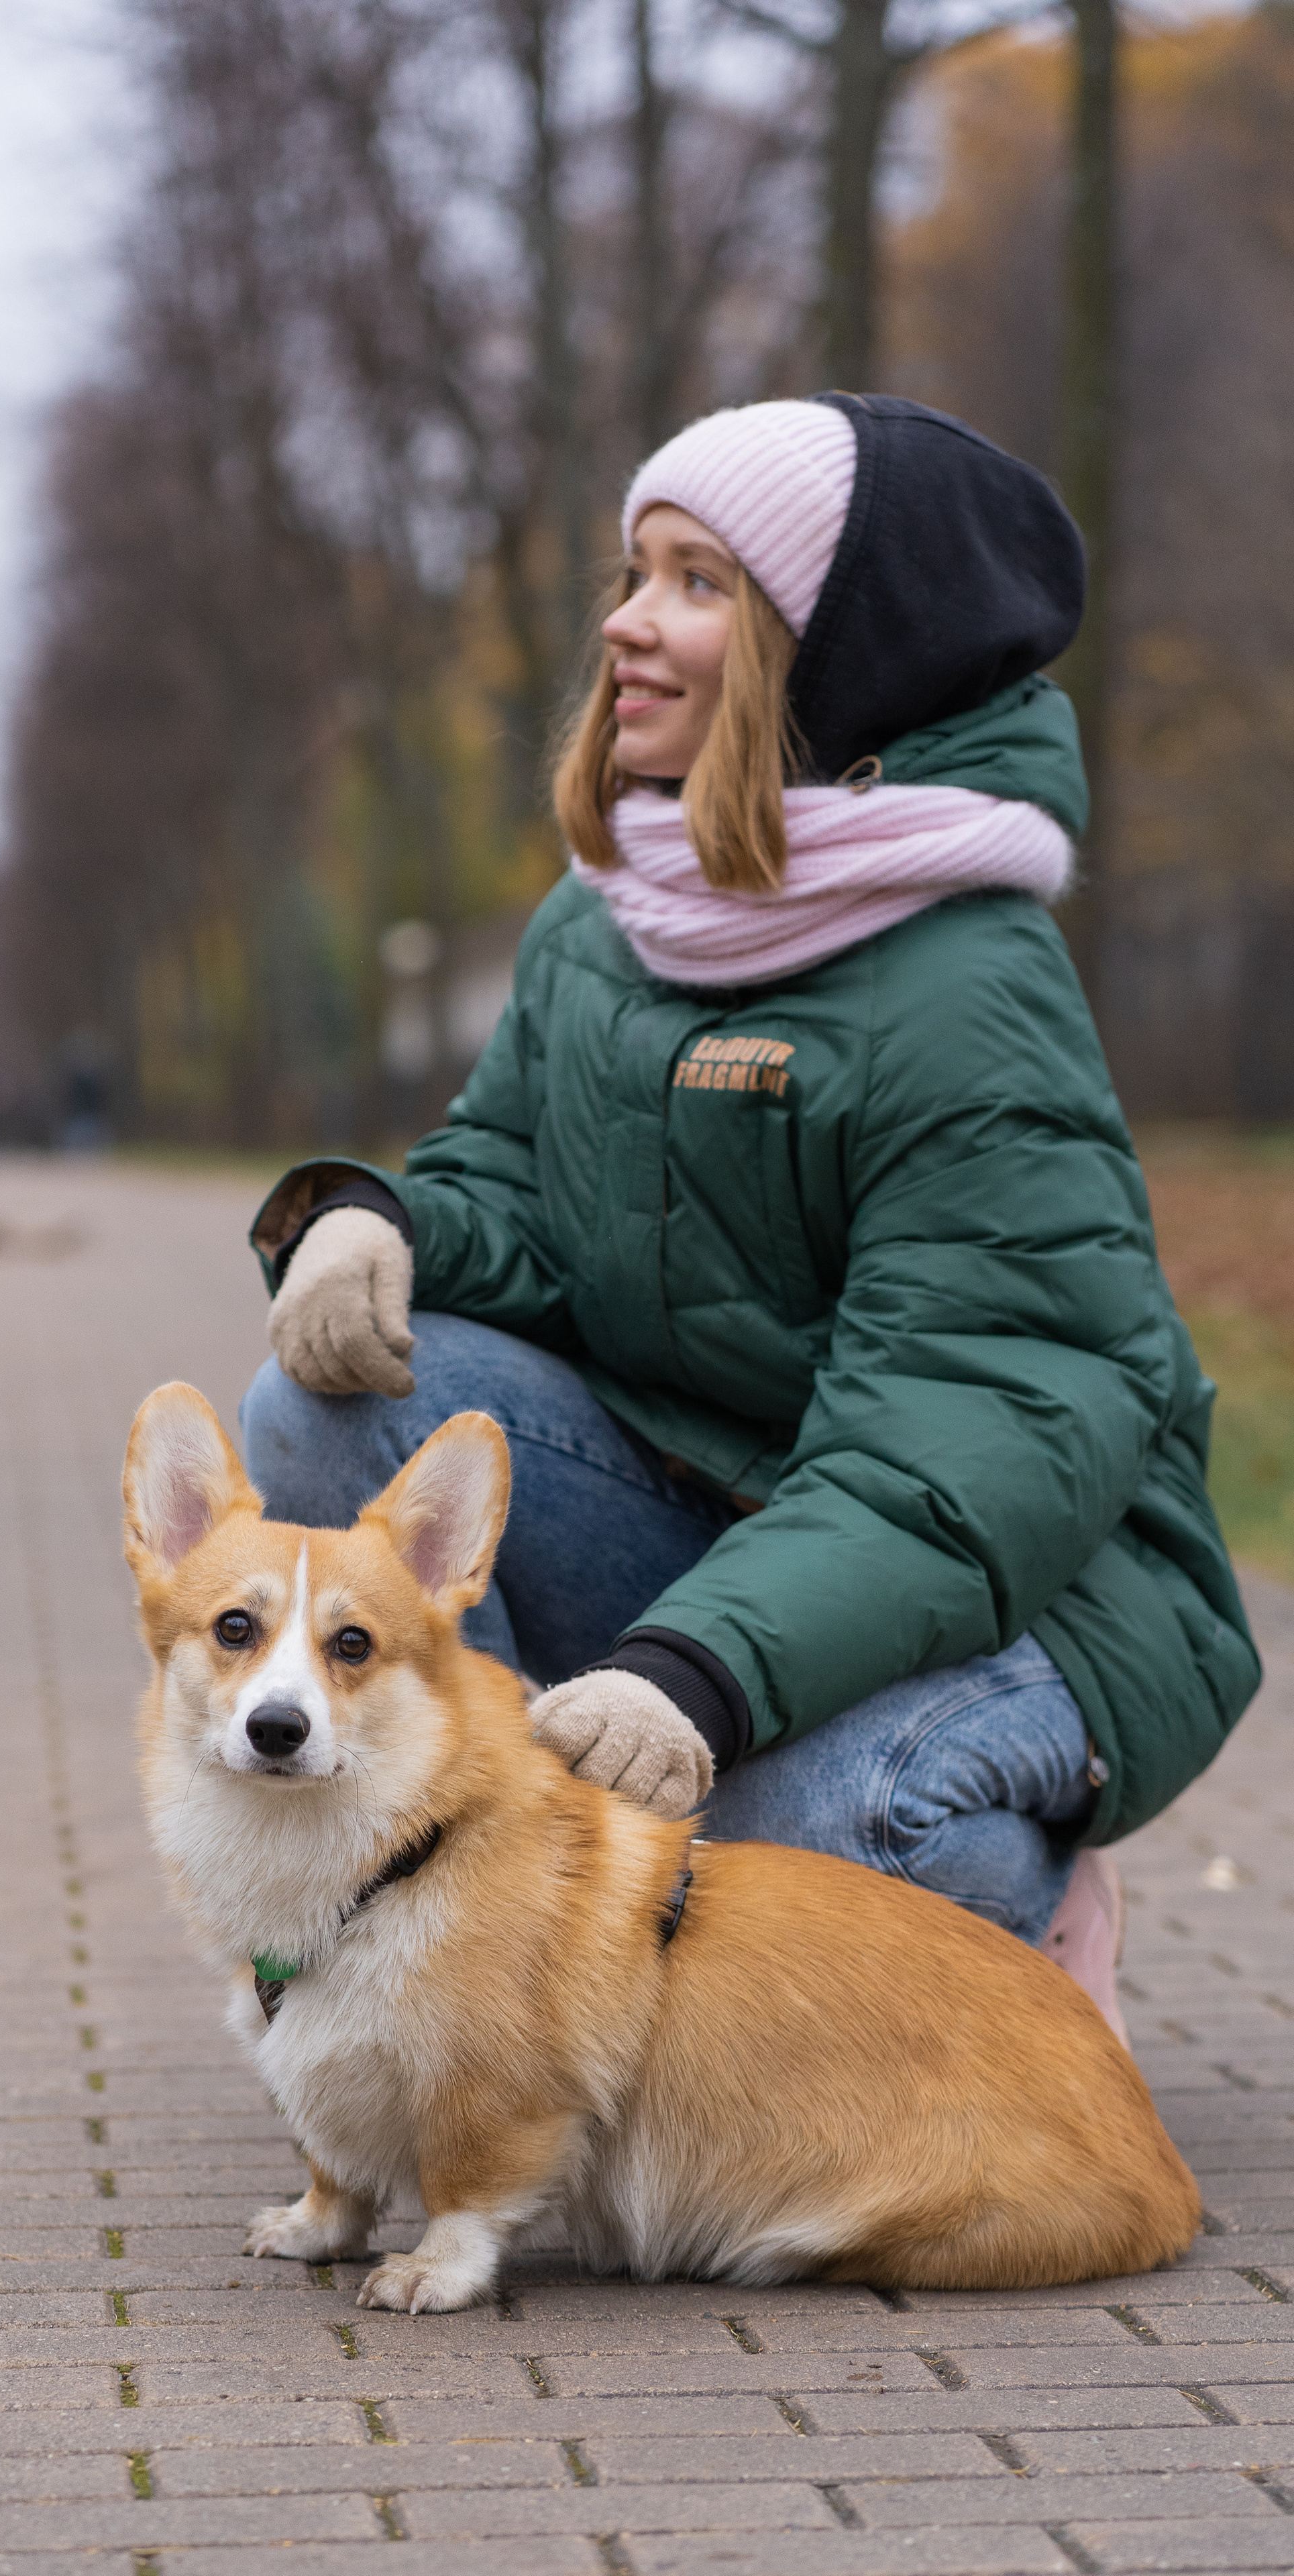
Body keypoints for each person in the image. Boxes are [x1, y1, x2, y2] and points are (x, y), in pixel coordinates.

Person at [238, 394, 1260, 2041]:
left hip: (1030, 1591)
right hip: (728, 1517)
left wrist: (687, 1678)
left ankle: (1017, 1897)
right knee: (322, 1405)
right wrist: (368, 1223)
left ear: (833, 658)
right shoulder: (613, 918)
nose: (626, 626)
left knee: (798, 1842)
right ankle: (494, 1937)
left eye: (696, 584)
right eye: (635, 574)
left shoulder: (964, 991)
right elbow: (515, 1187)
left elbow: (959, 1443)